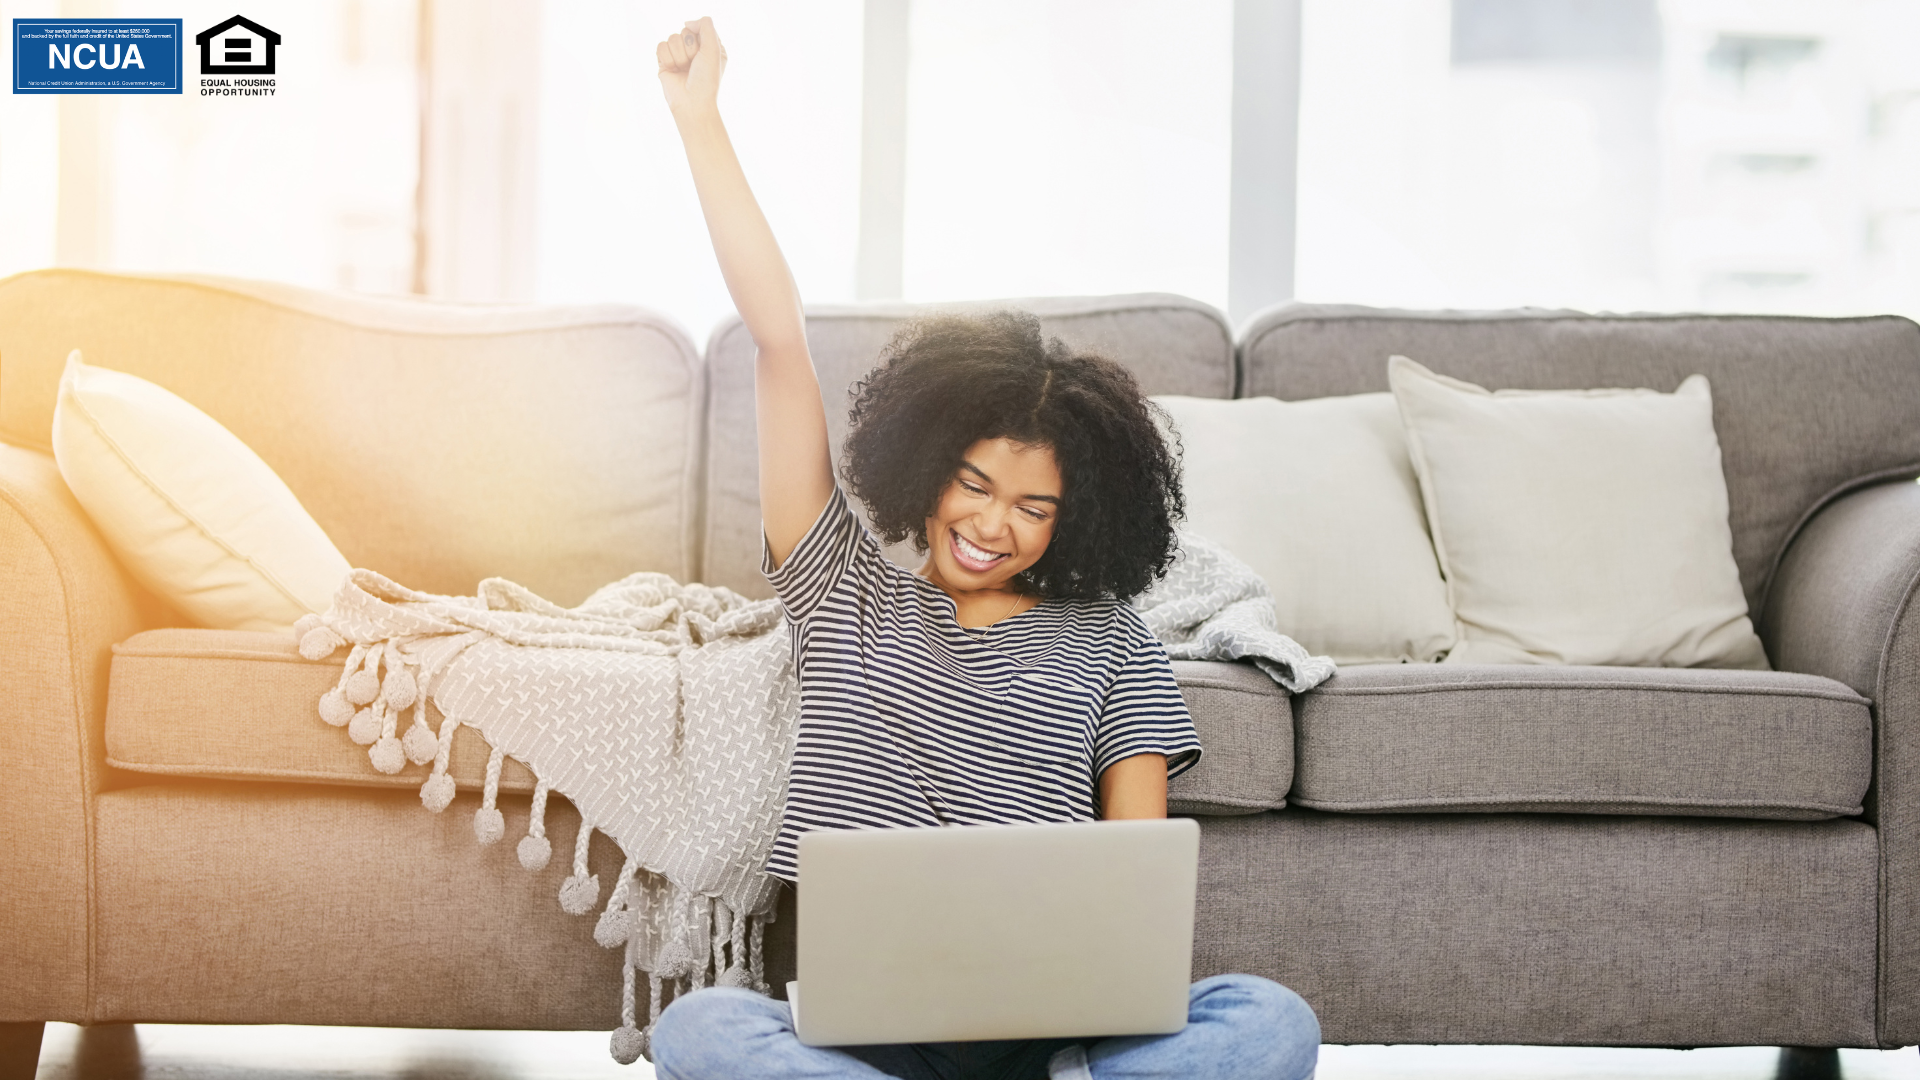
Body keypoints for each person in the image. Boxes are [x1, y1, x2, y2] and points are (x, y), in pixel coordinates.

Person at [646, 17, 1320, 1080]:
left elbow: (1134, 888)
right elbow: (779, 343)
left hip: (1060, 1037)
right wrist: (701, 124)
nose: (992, 523)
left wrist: (1097, 995)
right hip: (867, 1040)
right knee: (698, 1031)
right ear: (928, 466)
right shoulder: (842, 592)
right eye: (973, 484)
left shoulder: (1113, 642)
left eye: (1032, 508)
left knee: (1270, 1019)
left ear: (1080, 519)